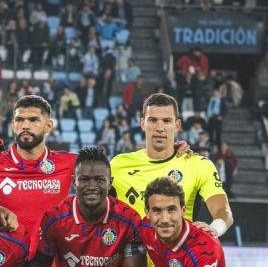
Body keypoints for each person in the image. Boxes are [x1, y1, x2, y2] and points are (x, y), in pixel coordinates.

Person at [110, 93, 233, 265]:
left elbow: (223, 211)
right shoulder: (118, 165)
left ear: (177, 125)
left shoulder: (197, 165)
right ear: (142, 123)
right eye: (152, 120)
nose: (159, 128)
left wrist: (213, 229)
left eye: (166, 121)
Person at [0, 95, 77, 251]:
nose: (25, 125)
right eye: (20, 120)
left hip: (49, 258)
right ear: (13, 125)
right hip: (3, 257)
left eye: (33, 120)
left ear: (48, 126)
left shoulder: (69, 162)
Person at [32, 148, 145, 267]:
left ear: (110, 183)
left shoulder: (129, 220)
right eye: (84, 179)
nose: (92, 186)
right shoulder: (53, 219)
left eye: (99, 180)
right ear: (74, 182)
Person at [140, 177, 226, 266]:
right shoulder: (145, 227)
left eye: (171, 210)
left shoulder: (204, 251)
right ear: (147, 212)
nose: (164, 219)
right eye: (157, 211)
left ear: (183, 210)